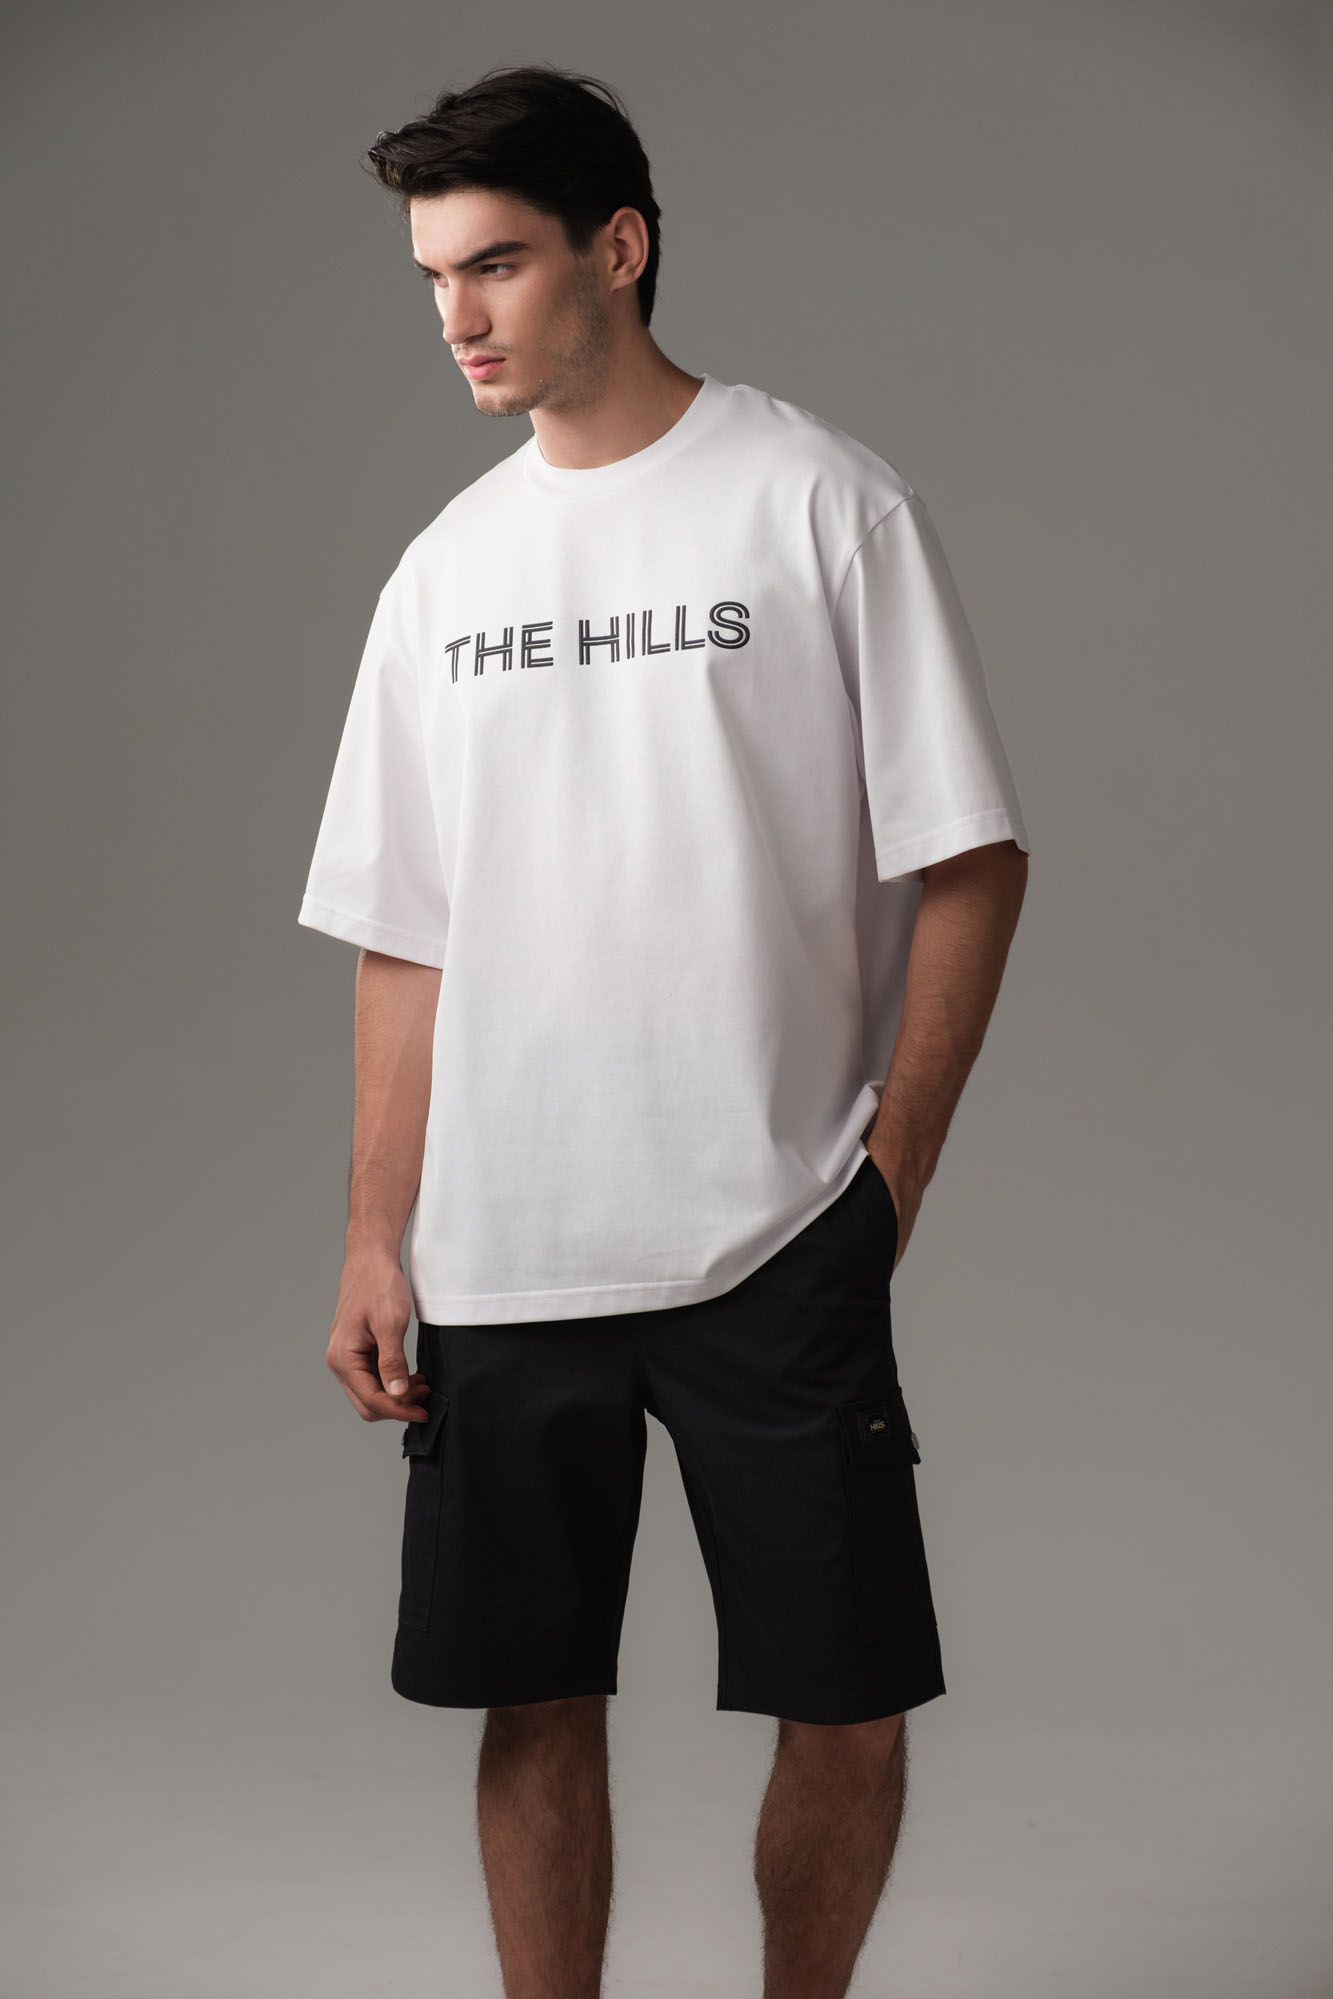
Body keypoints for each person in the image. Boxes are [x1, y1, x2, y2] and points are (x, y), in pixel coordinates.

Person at [298, 60, 1030, 1999]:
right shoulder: (443, 574)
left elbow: (968, 860)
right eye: (433, 277)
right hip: (502, 1249)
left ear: (616, 249)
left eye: (496, 264)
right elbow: (403, 939)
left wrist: (883, 1183)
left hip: (772, 1229)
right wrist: (376, 1232)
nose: (456, 317)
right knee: (530, 1702)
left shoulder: (818, 502)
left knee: (844, 1706)